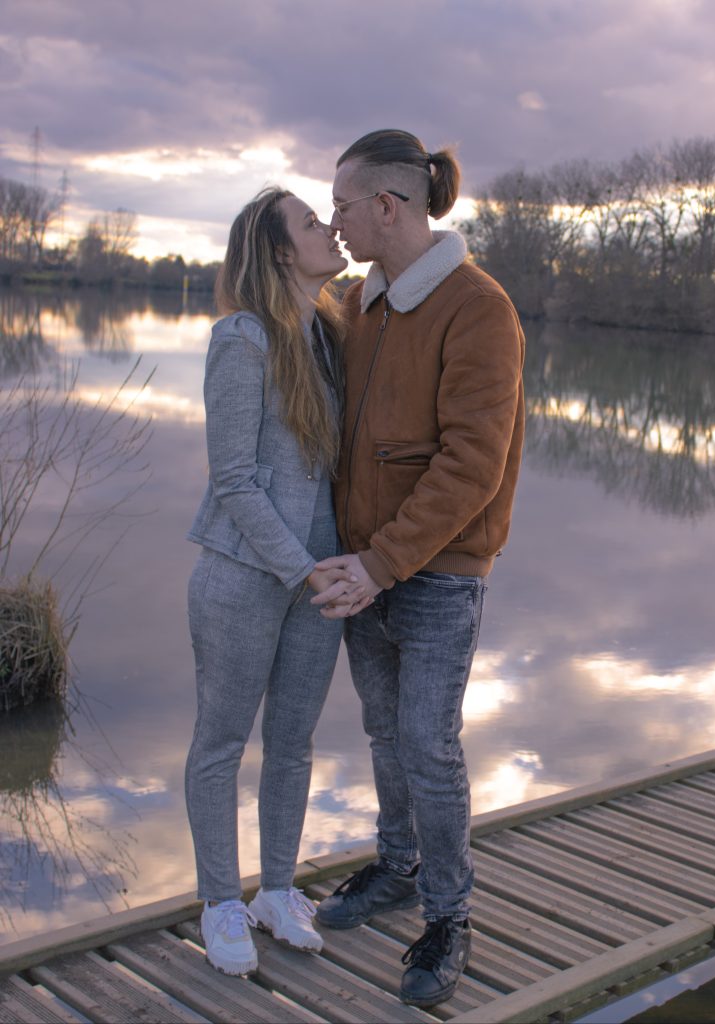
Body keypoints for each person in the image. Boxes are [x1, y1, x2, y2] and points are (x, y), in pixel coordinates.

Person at [310, 129, 525, 1008]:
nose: (336, 223)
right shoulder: (363, 299)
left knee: (429, 749)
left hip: (434, 572)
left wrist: (382, 563)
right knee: (383, 736)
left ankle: (449, 915)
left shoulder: (478, 308)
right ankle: (394, 867)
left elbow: (472, 464)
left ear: (387, 208)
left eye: (343, 207)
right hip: (365, 567)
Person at [184, 187, 366, 976]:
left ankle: (277, 891)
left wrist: (330, 568)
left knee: (292, 745)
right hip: (243, 572)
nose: (330, 227)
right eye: (310, 220)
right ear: (281, 251)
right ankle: (221, 901)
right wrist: (301, 568)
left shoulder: (329, 333)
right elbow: (231, 481)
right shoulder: (241, 337)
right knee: (222, 742)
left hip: (318, 579)